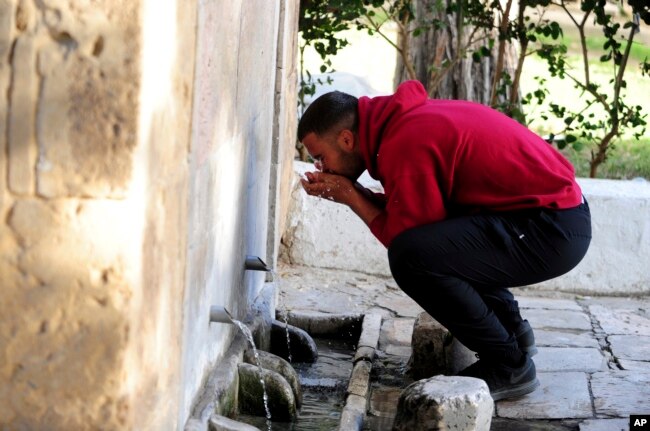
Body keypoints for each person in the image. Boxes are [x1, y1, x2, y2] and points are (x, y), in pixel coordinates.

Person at [297, 80, 591, 401]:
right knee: (440, 245)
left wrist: (352, 197)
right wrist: (358, 194)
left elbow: (407, 241)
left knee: (412, 259)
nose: (320, 167)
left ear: (346, 139)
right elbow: (422, 221)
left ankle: (508, 364)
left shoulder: (405, 141)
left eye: (321, 157)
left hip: (550, 229)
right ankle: (514, 334)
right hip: (553, 217)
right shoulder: (400, 125)